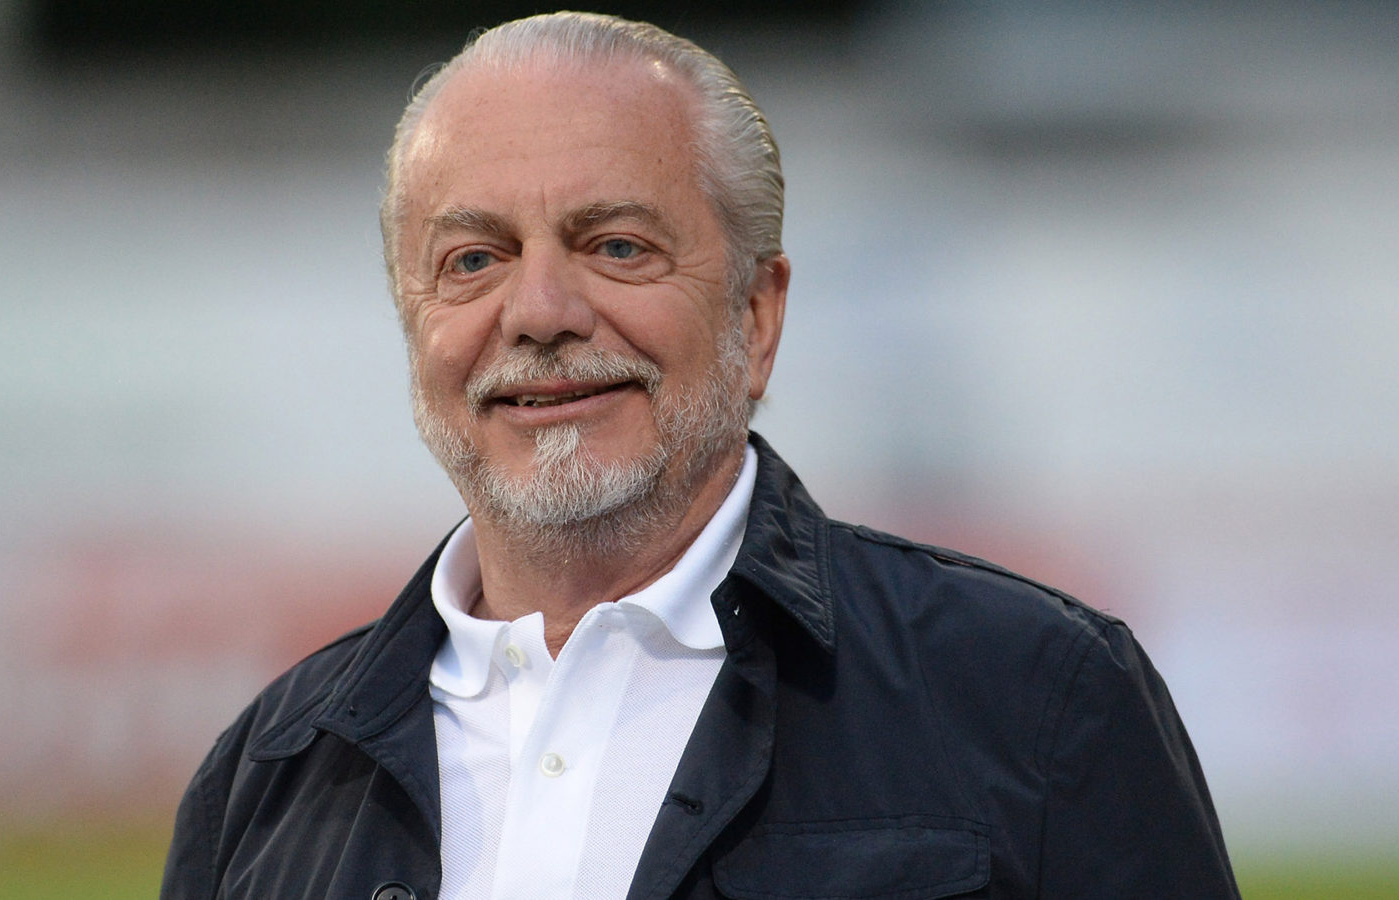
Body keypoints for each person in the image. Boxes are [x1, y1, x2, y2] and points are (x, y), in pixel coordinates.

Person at [161, 12, 1238, 899]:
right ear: (411, 323)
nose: (537, 311)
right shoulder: (267, 778)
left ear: (756, 317)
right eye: (473, 258)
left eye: (616, 246)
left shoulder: (1036, 699)